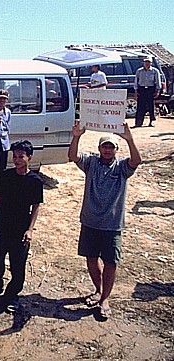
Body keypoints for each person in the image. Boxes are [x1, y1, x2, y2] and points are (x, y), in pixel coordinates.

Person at [68, 120, 141, 320]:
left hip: (112, 224)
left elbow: (137, 161)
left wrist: (129, 138)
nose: (107, 150)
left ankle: (105, 299)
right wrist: (77, 135)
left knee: (111, 262)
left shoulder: (122, 167)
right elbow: (72, 156)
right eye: (104, 146)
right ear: (99, 148)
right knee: (91, 258)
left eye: (111, 146)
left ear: (116, 149)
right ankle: (98, 290)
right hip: (90, 222)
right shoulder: (91, 163)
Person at [0, 140, 43, 314]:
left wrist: (30, 229)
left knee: (18, 266)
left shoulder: (35, 181)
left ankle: (12, 296)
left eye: (21, 156)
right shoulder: (5, 176)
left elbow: (36, 206)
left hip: (20, 231)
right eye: (15, 156)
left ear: (29, 158)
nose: (17, 160)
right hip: (2, 227)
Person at [134, 57, 162, 127]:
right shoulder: (139, 71)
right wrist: (136, 91)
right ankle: (139, 122)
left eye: (148, 62)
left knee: (151, 106)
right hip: (141, 89)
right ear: (143, 63)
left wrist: (158, 91)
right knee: (140, 106)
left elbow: (158, 81)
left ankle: (151, 121)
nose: (147, 63)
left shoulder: (155, 71)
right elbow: (136, 81)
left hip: (150, 89)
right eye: (145, 62)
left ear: (151, 63)